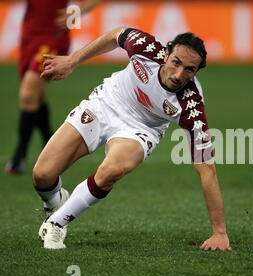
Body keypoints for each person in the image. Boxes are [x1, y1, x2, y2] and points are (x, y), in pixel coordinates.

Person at [34, 26, 232, 251]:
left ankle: (56, 224)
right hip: (104, 105)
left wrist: (220, 233)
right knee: (42, 176)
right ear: (166, 54)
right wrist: (73, 60)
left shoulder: (191, 105)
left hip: (140, 129)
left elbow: (207, 169)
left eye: (189, 69)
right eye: (176, 62)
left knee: (112, 170)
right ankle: (56, 204)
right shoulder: (145, 47)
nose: (179, 75)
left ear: (196, 72)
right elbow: (114, 35)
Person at [5, 0, 100, 175]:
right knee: (36, 96)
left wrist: (77, 12)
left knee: (28, 93)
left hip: (53, 36)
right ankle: (50, 142)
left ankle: (20, 156)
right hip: (29, 34)